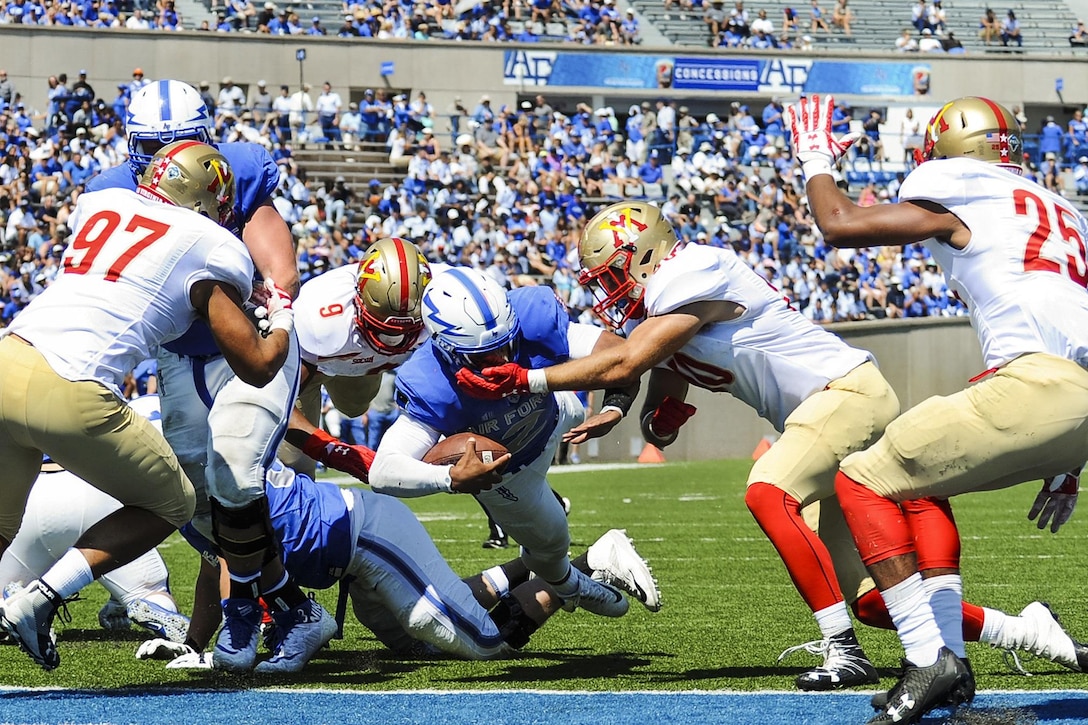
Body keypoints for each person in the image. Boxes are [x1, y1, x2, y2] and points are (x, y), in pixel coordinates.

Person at [454, 201, 902, 691]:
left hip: (846, 393)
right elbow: (658, 396)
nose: (607, 290)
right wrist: (628, 414)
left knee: (768, 492)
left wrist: (526, 379)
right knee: (870, 599)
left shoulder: (693, 269)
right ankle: (994, 631)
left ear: (643, 254)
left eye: (611, 275)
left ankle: (843, 651)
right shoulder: (660, 306)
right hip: (822, 414)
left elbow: (626, 363)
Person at [787, 93, 1088, 723]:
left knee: (860, 480)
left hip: (1034, 384)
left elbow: (838, 225)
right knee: (919, 483)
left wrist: (814, 157)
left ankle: (930, 659)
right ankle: (948, 668)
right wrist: (1070, 461)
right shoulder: (1062, 211)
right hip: (1075, 400)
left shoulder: (961, 186)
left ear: (952, 152)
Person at [0, 141, 293, 672]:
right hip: (71, 382)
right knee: (173, 503)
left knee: (0, 528)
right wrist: (283, 315)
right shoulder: (208, 240)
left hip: (8, 354)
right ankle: (40, 599)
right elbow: (255, 364)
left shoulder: (102, 204)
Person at [85, 80, 330, 675]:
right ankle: (293, 608)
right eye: (153, 146)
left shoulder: (239, 167)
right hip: (178, 355)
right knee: (197, 499)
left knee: (237, 475)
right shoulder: (111, 192)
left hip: (248, 341)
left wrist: (277, 294)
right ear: (132, 146)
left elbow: (272, 246)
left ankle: (242, 611)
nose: (170, 158)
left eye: (187, 143)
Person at [136, 458, 661, 668]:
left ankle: (588, 563)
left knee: (479, 643)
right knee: (419, 640)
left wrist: (227, 647)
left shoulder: (214, 480)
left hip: (367, 535)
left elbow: (236, 565)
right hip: (349, 559)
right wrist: (193, 644)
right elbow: (216, 565)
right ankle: (533, 561)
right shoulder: (192, 491)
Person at [368, 268, 654, 618]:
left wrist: (614, 407)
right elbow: (382, 472)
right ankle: (575, 584)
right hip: (510, 472)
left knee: (573, 408)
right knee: (551, 551)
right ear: (447, 348)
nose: (502, 359)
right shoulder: (432, 381)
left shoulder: (531, 316)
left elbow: (622, 355)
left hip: (557, 413)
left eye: (506, 344)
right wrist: (452, 479)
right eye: (485, 355)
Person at [0, 395, 190, 645]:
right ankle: (145, 599)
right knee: (145, 584)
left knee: (8, 587)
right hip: (94, 494)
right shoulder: (153, 407)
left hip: (31, 494)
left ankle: (13, 598)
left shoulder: (23, 397)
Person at [278, 237, 432, 481]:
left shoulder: (448, 298)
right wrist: (332, 450)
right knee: (295, 461)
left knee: (354, 407)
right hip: (317, 362)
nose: (392, 341)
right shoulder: (320, 317)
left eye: (403, 330)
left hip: (362, 365)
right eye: (382, 327)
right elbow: (279, 405)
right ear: (357, 298)